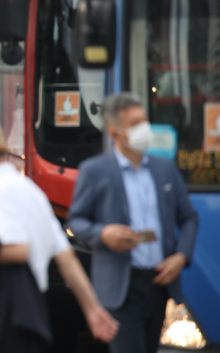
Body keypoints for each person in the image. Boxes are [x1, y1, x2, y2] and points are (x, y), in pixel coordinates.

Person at [0, 122, 119, 353]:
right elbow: (66, 256)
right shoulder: (31, 191)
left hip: (1, 318)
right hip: (31, 313)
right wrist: (92, 309)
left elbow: (19, 249)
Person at [66, 93, 198, 353]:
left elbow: (188, 218)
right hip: (120, 289)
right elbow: (76, 221)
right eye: (135, 123)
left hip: (159, 283)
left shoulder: (164, 169)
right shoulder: (95, 171)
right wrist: (103, 233)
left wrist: (181, 256)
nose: (144, 129)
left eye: (144, 121)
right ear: (115, 133)